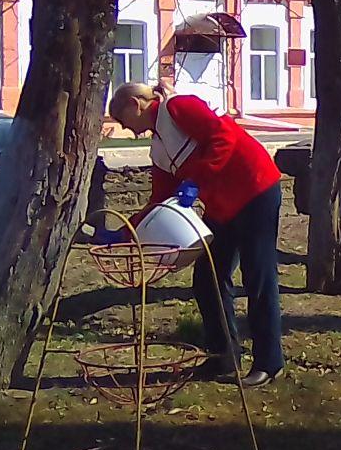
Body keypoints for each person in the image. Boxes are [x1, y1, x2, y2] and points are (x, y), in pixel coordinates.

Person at [106, 83, 285, 387]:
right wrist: (125, 232)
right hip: (222, 206)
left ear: (135, 104)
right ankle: (222, 357)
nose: (127, 129)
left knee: (258, 275)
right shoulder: (158, 147)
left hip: (254, 189)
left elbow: (223, 136)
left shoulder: (178, 108)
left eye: (123, 120)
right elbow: (159, 200)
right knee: (208, 279)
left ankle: (269, 363)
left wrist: (195, 180)